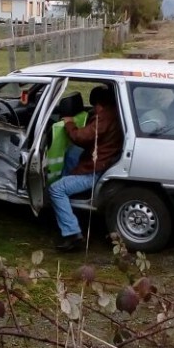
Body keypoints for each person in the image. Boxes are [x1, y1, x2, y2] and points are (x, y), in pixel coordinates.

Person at [49, 85, 123, 252]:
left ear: (99, 104)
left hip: (95, 170)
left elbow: (80, 136)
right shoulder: (115, 112)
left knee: (56, 190)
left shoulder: (103, 118)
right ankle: (67, 206)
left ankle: (72, 234)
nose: (95, 110)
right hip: (105, 161)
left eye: (95, 107)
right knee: (72, 153)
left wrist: (69, 123)